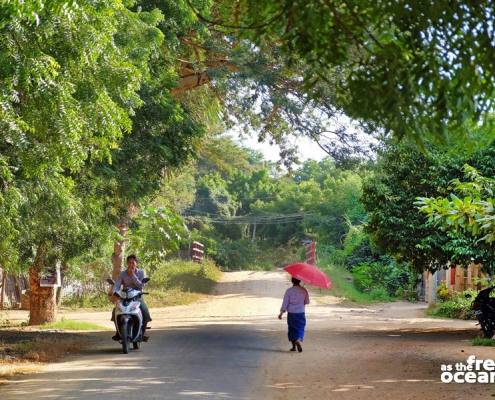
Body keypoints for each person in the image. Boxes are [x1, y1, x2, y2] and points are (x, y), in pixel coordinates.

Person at [111, 254, 152, 341]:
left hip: (137, 297)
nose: (131, 265)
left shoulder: (141, 272)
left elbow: (141, 286)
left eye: (133, 263)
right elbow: (117, 285)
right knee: (115, 311)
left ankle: (143, 333)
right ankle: (118, 332)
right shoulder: (122, 274)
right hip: (124, 297)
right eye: (129, 263)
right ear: (127, 264)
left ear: (136, 263)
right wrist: (115, 292)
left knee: (144, 311)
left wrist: (133, 275)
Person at [278, 277, 309, 352]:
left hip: (291, 313)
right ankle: (298, 339)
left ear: (292, 281)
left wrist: (281, 313)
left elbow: (285, 303)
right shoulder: (304, 290)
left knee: (292, 329)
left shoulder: (289, 291)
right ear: (299, 281)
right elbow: (307, 302)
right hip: (301, 313)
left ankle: (293, 347)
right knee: (300, 327)